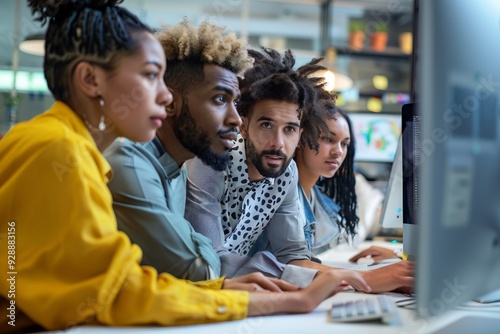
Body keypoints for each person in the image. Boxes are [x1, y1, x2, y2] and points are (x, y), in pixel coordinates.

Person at [0, 1, 370, 332]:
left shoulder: (84, 155)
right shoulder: (57, 148)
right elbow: (121, 292)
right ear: (90, 80)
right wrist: (284, 300)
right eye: (150, 76)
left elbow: (120, 283)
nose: (164, 96)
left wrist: (221, 288)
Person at [185, 47, 414, 294]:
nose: (278, 143)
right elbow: (213, 264)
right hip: (190, 296)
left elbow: (292, 256)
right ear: (243, 125)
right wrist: (359, 278)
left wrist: (373, 278)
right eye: (266, 125)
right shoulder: (211, 162)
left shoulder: (286, 174)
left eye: (290, 129)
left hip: (239, 298)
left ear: (301, 134)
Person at [104, 19, 299, 290]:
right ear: (170, 102)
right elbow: (200, 269)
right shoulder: (131, 163)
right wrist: (208, 251)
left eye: (234, 103)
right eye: (219, 100)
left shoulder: (175, 170)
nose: (234, 119)